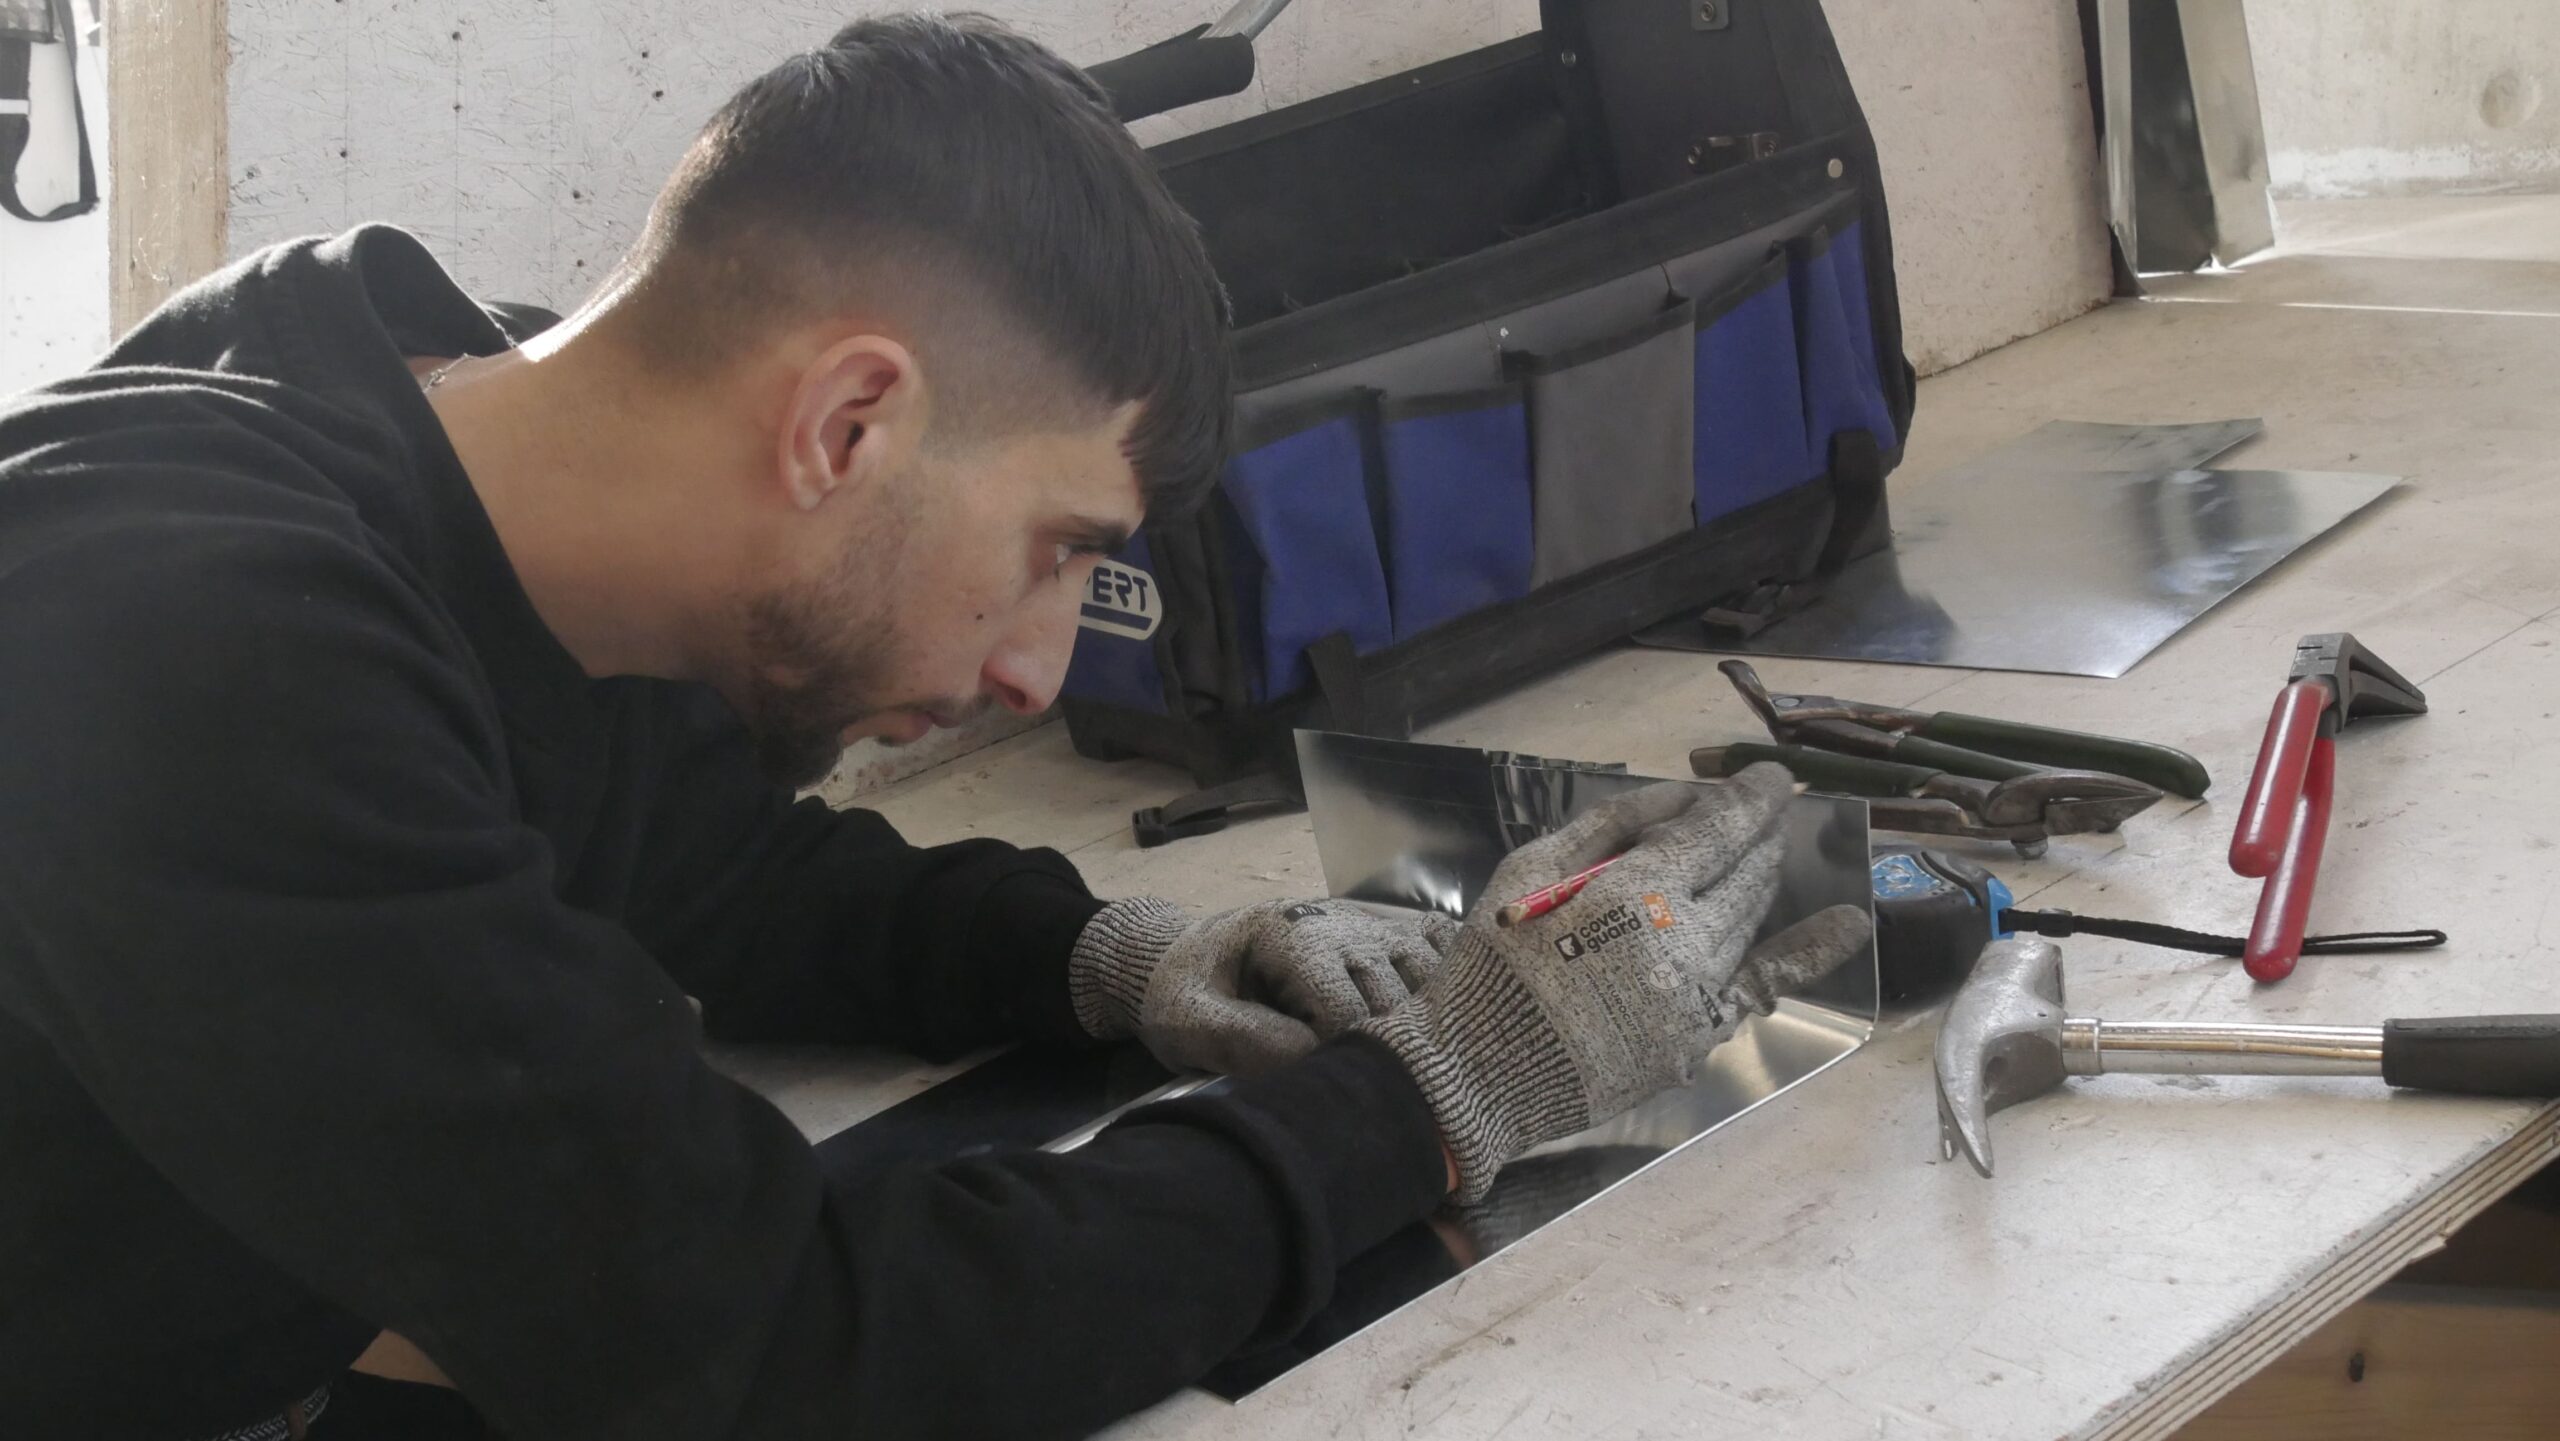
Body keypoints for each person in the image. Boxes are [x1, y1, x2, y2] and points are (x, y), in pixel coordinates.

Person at [0, 14, 1867, 1440]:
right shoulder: (188, 630)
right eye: (1057, 549)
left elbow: (700, 861)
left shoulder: (473, 449)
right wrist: (1438, 1094)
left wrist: (1114, 955)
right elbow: (766, 1346)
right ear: (847, 423)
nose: (1041, 676)